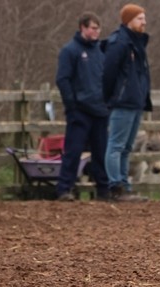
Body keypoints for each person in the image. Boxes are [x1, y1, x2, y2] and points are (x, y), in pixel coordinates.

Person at [55, 12, 109, 201]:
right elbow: (63, 79)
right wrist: (71, 104)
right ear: (83, 28)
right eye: (93, 28)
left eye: (98, 28)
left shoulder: (101, 51)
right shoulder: (71, 50)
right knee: (74, 151)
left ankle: (103, 188)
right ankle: (64, 188)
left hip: (100, 109)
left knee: (101, 152)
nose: (96, 32)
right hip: (80, 110)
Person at [102, 4, 152, 201]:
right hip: (122, 102)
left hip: (135, 102)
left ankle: (124, 184)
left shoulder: (137, 43)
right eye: (140, 18)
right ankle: (115, 186)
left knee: (126, 147)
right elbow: (108, 74)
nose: (144, 22)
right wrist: (112, 98)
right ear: (128, 20)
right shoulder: (119, 43)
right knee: (116, 145)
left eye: (143, 18)